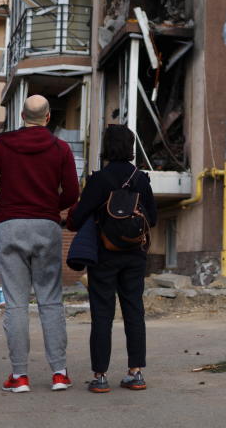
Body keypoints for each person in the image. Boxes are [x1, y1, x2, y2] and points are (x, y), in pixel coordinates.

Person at [0, 95, 79, 393]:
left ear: (22, 115)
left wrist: (4, 203)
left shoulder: (3, 144)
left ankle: (19, 376)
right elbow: (72, 193)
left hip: (10, 226)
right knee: (50, 299)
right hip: (47, 227)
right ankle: (59, 373)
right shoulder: (61, 148)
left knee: (16, 303)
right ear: (48, 117)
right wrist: (48, 206)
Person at [68, 124, 157, 393]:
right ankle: (136, 373)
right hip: (135, 256)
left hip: (104, 255)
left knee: (102, 315)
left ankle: (100, 377)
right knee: (134, 312)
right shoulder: (140, 178)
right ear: (130, 147)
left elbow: (79, 217)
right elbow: (151, 218)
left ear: (106, 147)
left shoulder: (100, 179)